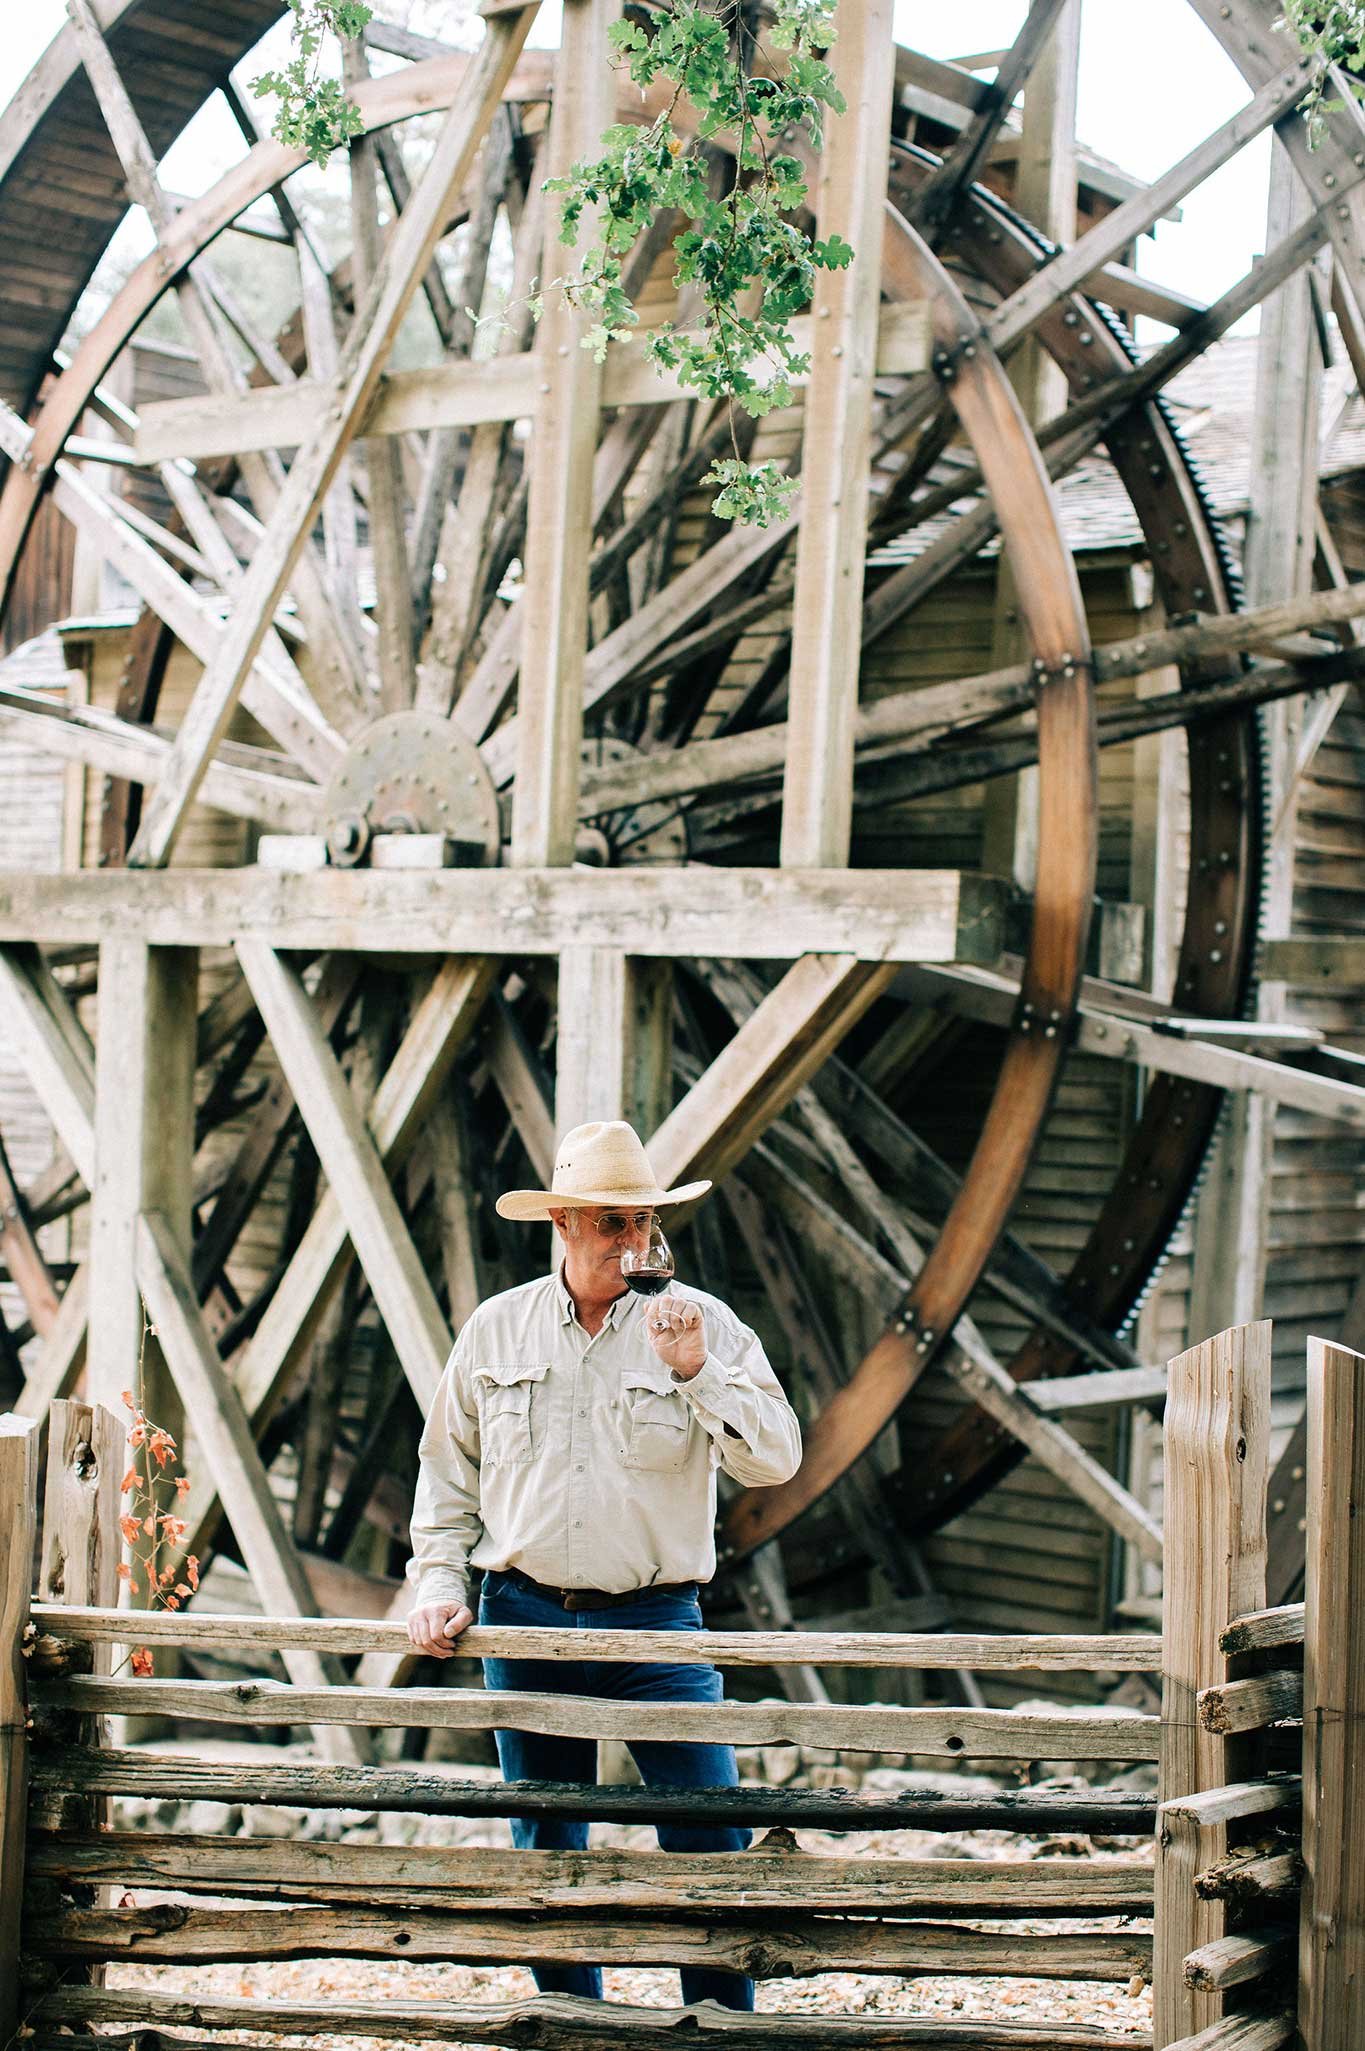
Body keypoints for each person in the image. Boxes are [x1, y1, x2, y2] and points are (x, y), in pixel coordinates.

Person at [406, 1118, 802, 2012]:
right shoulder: (495, 1327)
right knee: (549, 1846)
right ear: (567, 1224)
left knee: (708, 1836)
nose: (636, 1241)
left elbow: (776, 1458)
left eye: (646, 1222)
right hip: (523, 1615)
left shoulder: (702, 1324)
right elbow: (445, 1471)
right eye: (616, 1222)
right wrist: (437, 1582)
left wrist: (697, 1369)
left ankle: (716, 2030)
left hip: (657, 1621)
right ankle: (573, 2024)